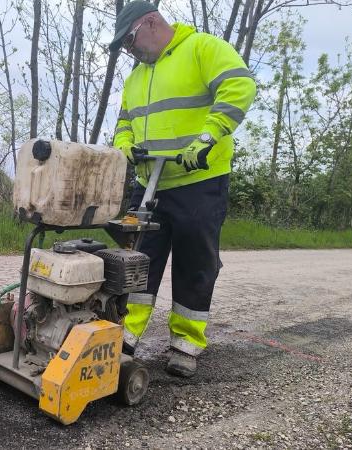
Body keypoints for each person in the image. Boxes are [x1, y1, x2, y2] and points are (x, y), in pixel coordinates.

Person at [109, 1, 257, 377]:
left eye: (128, 41)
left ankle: (186, 344)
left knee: (195, 261)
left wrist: (208, 136)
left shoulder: (203, 49)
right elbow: (124, 123)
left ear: (150, 22)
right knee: (138, 260)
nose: (129, 50)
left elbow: (239, 85)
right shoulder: (135, 78)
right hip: (149, 186)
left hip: (198, 180)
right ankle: (125, 332)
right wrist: (125, 146)